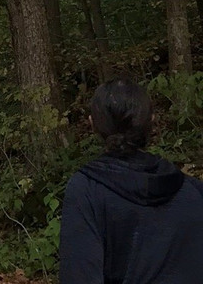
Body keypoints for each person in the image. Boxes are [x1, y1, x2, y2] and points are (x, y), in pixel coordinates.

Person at [60, 78, 203, 284]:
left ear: (92, 124)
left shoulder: (86, 190)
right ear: (152, 120)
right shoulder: (194, 192)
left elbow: (78, 276)